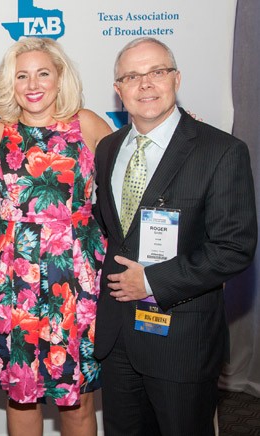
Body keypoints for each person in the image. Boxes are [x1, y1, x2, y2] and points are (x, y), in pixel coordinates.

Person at [93, 37, 257, 436]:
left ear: (176, 79)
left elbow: (234, 247)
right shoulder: (107, 149)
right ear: (118, 90)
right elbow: (109, 229)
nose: (145, 83)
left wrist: (150, 281)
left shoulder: (221, 150)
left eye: (156, 72)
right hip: (118, 340)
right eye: (132, 76)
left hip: (181, 340)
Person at [0, 37, 111, 435]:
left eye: (42, 73)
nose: (32, 83)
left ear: (60, 78)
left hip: (77, 279)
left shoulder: (86, 125)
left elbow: (124, 187)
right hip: (14, 282)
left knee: (79, 397)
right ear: (11, 84)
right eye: (22, 75)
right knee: (21, 393)